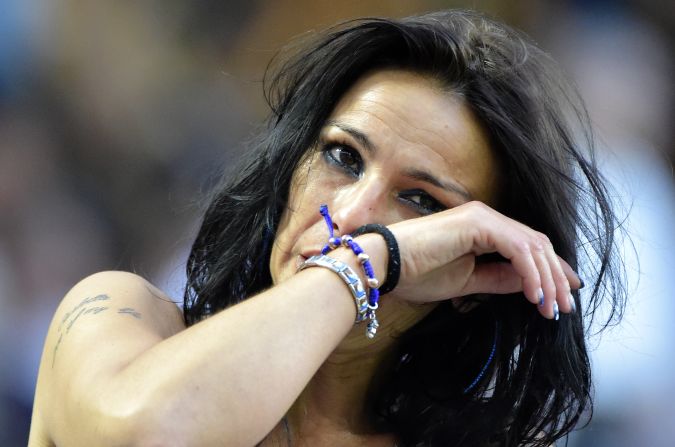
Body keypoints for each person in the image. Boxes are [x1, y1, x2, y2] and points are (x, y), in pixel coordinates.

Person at [28, 9, 625, 447]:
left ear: (471, 272)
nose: (350, 215)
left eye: (419, 200)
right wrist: (365, 264)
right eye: (343, 156)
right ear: (290, 167)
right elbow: (150, 434)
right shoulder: (118, 319)